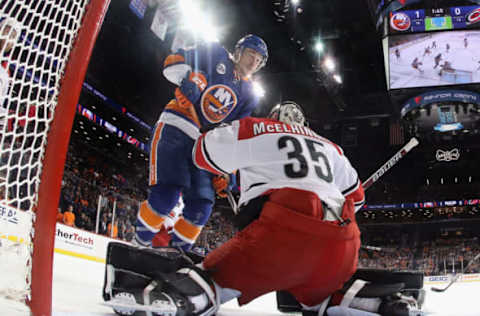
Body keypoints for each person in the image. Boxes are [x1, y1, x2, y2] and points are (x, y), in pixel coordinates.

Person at [188, 101, 365, 315]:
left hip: (279, 236)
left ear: (272, 116)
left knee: (206, 281)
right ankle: (368, 306)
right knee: (324, 304)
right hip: (342, 246)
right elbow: (356, 199)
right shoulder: (331, 147)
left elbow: (201, 152)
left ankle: (178, 299)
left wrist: (224, 170)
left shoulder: (254, 127)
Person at [134, 34, 268, 251]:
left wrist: (227, 171)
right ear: (239, 51)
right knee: (166, 196)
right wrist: (188, 80)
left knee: (201, 207)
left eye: (259, 60)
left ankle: (172, 257)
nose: (254, 62)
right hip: (177, 125)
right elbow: (173, 61)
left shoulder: (249, 95)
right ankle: (137, 246)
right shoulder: (215, 53)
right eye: (251, 54)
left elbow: (233, 135)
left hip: (204, 146)